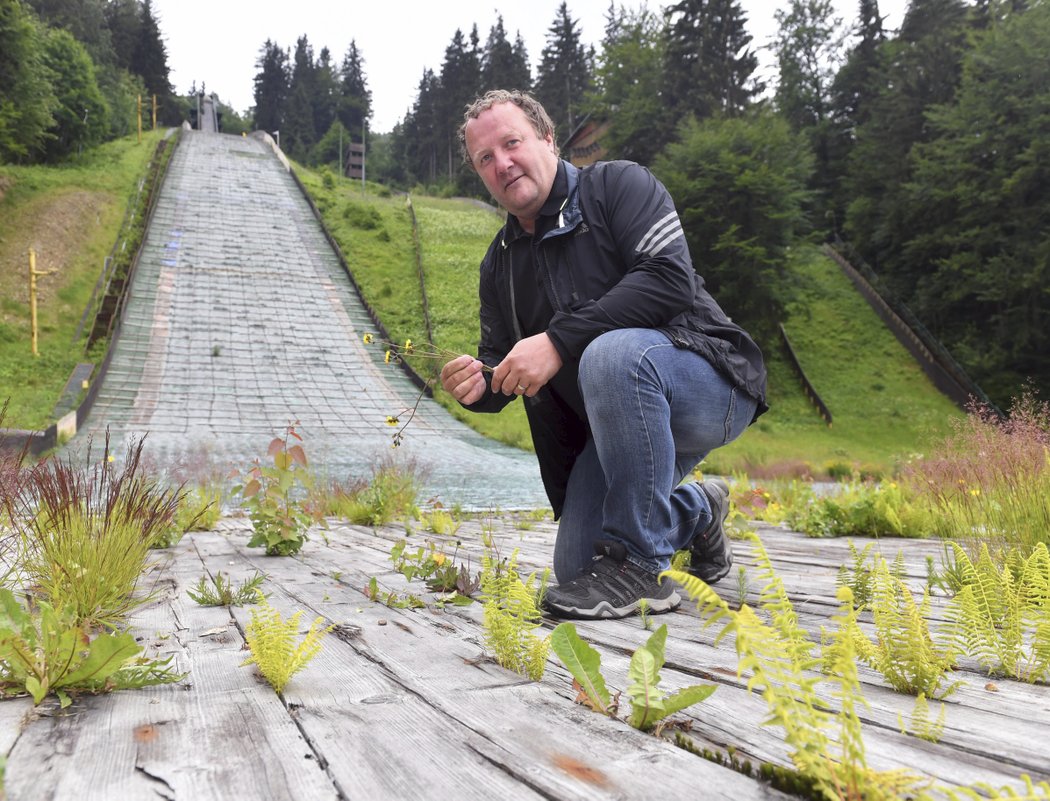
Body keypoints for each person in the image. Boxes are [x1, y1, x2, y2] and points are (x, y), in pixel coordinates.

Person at [440, 90, 767, 620]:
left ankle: (642, 566)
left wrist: (557, 340)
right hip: (617, 429)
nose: (502, 163)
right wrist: (478, 387)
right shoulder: (498, 265)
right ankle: (698, 511)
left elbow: (669, 279)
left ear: (547, 138)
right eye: (485, 158)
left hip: (710, 384)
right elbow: (502, 365)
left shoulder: (619, 185)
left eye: (512, 143)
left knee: (611, 354)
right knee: (578, 566)